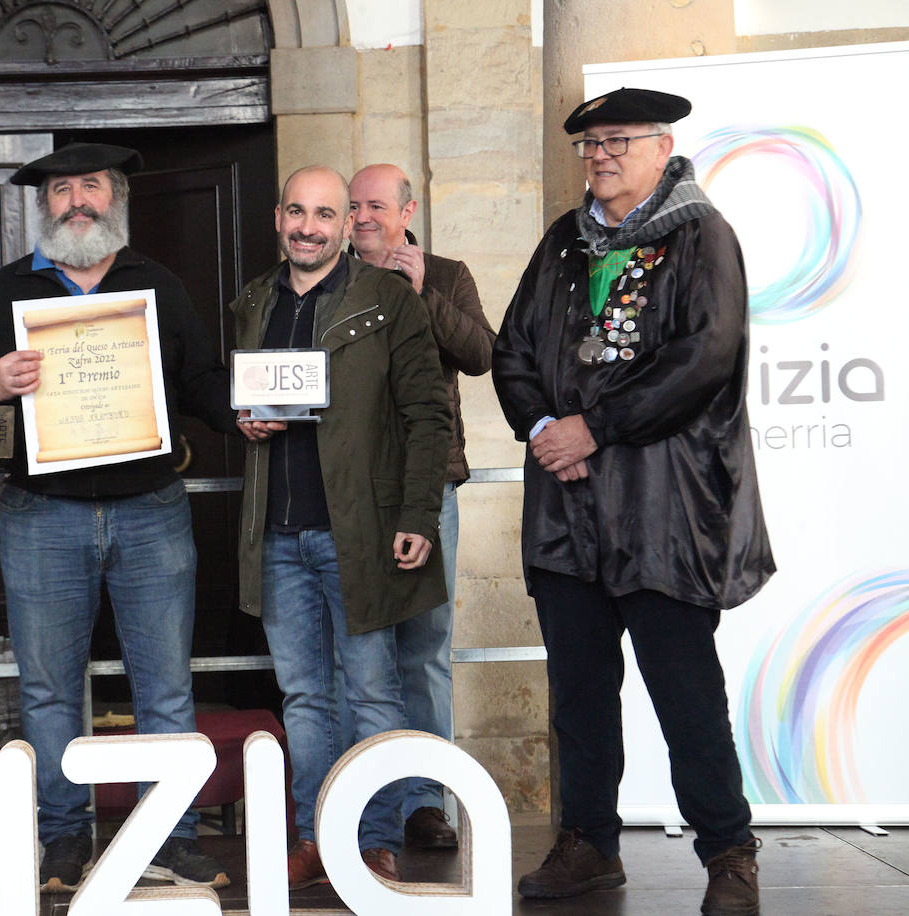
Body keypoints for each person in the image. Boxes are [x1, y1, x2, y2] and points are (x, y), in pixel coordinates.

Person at [492, 88, 775, 915]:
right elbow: (512, 350)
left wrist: (595, 428)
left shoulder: (701, 235)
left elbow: (705, 358)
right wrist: (546, 424)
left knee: (686, 693)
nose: (601, 156)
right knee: (579, 696)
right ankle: (588, 845)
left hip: (664, 512)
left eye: (618, 141)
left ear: (663, 146)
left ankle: (729, 851)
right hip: (565, 516)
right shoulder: (562, 244)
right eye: (590, 145)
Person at [0, 143, 236, 892]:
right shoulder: (6, 291)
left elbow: (201, 380)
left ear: (117, 198)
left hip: (151, 513)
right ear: (45, 206)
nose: (77, 200)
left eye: (92, 187)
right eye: (63, 189)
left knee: (165, 686)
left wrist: (254, 411)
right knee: (47, 690)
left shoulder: (156, 285)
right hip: (42, 516)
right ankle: (64, 842)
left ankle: (169, 837)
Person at [232, 166, 451, 888]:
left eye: (324, 214)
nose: (308, 226)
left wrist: (420, 512)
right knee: (303, 697)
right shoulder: (253, 303)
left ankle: (376, 840)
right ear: (277, 217)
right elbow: (243, 393)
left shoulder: (387, 298)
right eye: (297, 211)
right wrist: (246, 419)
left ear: (342, 224)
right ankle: (314, 836)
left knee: (373, 693)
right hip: (278, 534)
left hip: (358, 532)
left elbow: (428, 414)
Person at [346, 162, 496, 849]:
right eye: (353, 206)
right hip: (348, 491)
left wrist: (419, 294)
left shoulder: (445, 273)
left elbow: (480, 354)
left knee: (425, 650)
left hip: (427, 486)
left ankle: (427, 806)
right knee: (358, 655)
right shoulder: (330, 277)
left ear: (408, 210)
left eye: (376, 205)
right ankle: (367, 807)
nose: (362, 217)